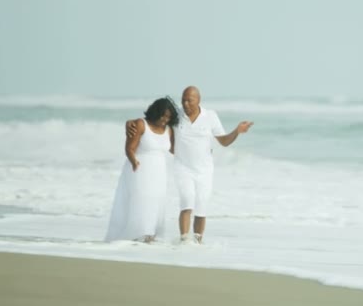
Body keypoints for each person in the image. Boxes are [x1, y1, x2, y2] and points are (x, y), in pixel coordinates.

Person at [126, 86, 253, 243]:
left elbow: (224, 141)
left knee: (201, 205)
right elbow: (156, 119)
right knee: (187, 201)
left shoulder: (211, 116)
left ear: (198, 100)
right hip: (182, 167)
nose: (185, 104)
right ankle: (185, 240)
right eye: (183, 100)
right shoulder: (176, 114)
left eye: (189, 100)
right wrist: (130, 122)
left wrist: (237, 131)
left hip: (205, 170)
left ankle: (198, 241)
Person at [105, 97, 179, 243]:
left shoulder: (169, 130)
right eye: (163, 115)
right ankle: (138, 234)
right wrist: (133, 161)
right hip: (140, 168)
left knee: (156, 201)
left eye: (168, 117)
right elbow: (129, 148)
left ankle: (150, 235)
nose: (165, 119)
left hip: (159, 172)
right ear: (155, 112)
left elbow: (174, 150)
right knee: (142, 201)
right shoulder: (140, 124)